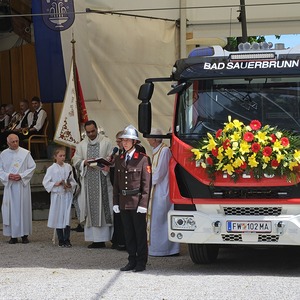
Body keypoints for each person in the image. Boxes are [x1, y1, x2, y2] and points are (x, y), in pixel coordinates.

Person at [113, 125, 152, 272]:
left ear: (134, 142)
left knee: (140, 233)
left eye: (128, 140)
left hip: (137, 201)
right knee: (128, 233)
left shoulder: (142, 160)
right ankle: (131, 260)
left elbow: (146, 184)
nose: (125, 143)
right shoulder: (119, 159)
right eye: (123, 140)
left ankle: (141, 261)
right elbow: (117, 183)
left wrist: (143, 203)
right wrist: (115, 202)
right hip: (124, 201)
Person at [72, 120, 114, 248]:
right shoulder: (81, 145)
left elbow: (111, 157)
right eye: (88, 132)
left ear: (97, 129)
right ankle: (96, 240)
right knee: (91, 209)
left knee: (104, 209)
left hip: (103, 180)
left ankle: (109, 238)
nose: (91, 134)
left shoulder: (106, 142)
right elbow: (75, 159)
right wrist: (83, 162)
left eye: (93, 131)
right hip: (88, 181)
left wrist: (107, 161)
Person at [146, 128, 180, 256]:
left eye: (149, 137)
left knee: (161, 220)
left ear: (155, 139)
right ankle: (155, 249)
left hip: (162, 191)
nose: (148, 140)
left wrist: (146, 181)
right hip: (156, 189)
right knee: (156, 220)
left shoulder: (164, 150)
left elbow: (160, 173)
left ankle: (166, 249)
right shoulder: (157, 150)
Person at [0, 133, 36, 244]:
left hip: (21, 186)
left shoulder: (25, 153)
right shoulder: (3, 154)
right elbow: (0, 170)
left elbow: (32, 167)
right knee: (11, 211)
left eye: (17, 141)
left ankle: (24, 235)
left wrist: (21, 176)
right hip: (10, 186)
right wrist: (8, 176)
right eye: (13, 142)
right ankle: (13, 236)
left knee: (23, 210)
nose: (15, 143)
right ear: (8, 143)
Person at [42, 147, 77, 247]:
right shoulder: (51, 169)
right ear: (55, 157)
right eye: (60, 156)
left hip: (66, 195)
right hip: (57, 196)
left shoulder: (68, 167)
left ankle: (67, 239)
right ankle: (61, 239)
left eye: (64, 156)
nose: (62, 158)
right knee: (58, 217)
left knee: (67, 217)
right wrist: (56, 183)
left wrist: (70, 185)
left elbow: (72, 180)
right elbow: (46, 182)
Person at [110, 130, 126, 251]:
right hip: (118, 188)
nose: (118, 144)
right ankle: (118, 240)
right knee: (118, 216)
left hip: (126, 189)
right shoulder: (119, 152)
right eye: (117, 142)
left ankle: (125, 242)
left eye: (119, 141)